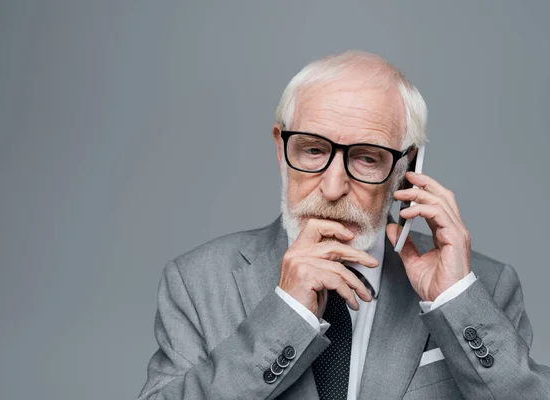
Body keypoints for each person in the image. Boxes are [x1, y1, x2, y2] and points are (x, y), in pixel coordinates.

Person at [137, 51, 550, 400]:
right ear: (281, 148)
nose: (333, 188)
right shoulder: (196, 282)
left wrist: (455, 303)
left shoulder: (485, 288)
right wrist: (286, 315)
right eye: (313, 150)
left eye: (366, 158)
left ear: (406, 167)